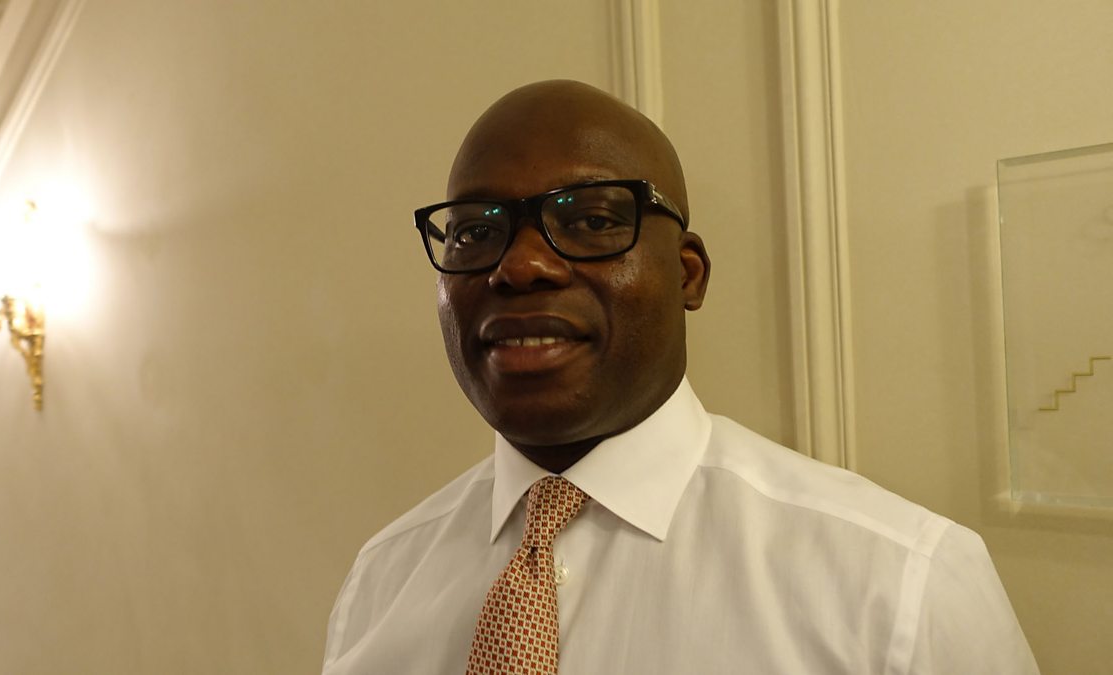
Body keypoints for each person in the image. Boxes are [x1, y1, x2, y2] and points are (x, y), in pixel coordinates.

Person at [322, 80, 1038, 674]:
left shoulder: (900, 587)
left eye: (591, 220)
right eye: (476, 230)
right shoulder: (379, 584)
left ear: (687, 274)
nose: (521, 265)